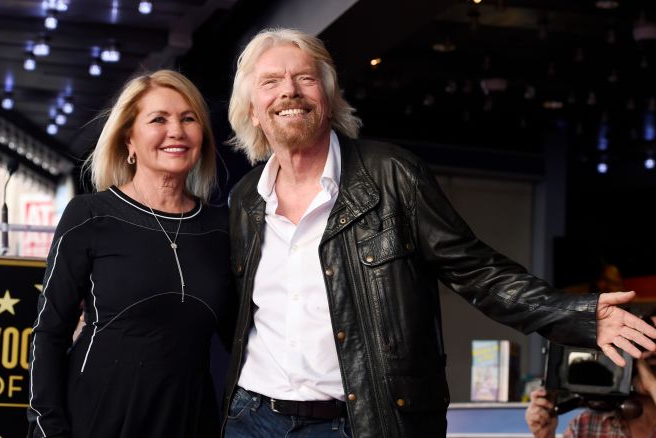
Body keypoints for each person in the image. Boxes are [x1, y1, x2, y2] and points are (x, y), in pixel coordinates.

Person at [222, 28, 656, 437]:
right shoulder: (244, 200)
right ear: (254, 112)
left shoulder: (392, 176)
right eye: (271, 82)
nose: (289, 91)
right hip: (253, 418)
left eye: (304, 78)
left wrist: (573, 316)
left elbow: (479, 272)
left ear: (329, 97)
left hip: (363, 424)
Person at [27, 70, 233, 438]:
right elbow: (50, 333)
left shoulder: (223, 227)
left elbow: (245, 337)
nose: (177, 131)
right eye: (159, 119)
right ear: (129, 140)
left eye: (189, 119)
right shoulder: (89, 214)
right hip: (99, 418)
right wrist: (47, 428)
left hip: (189, 420)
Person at [526, 321, 656, 437]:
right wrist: (546, 436)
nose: (652, 350)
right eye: (645, 340)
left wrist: (651, 385)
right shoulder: (585, 424)